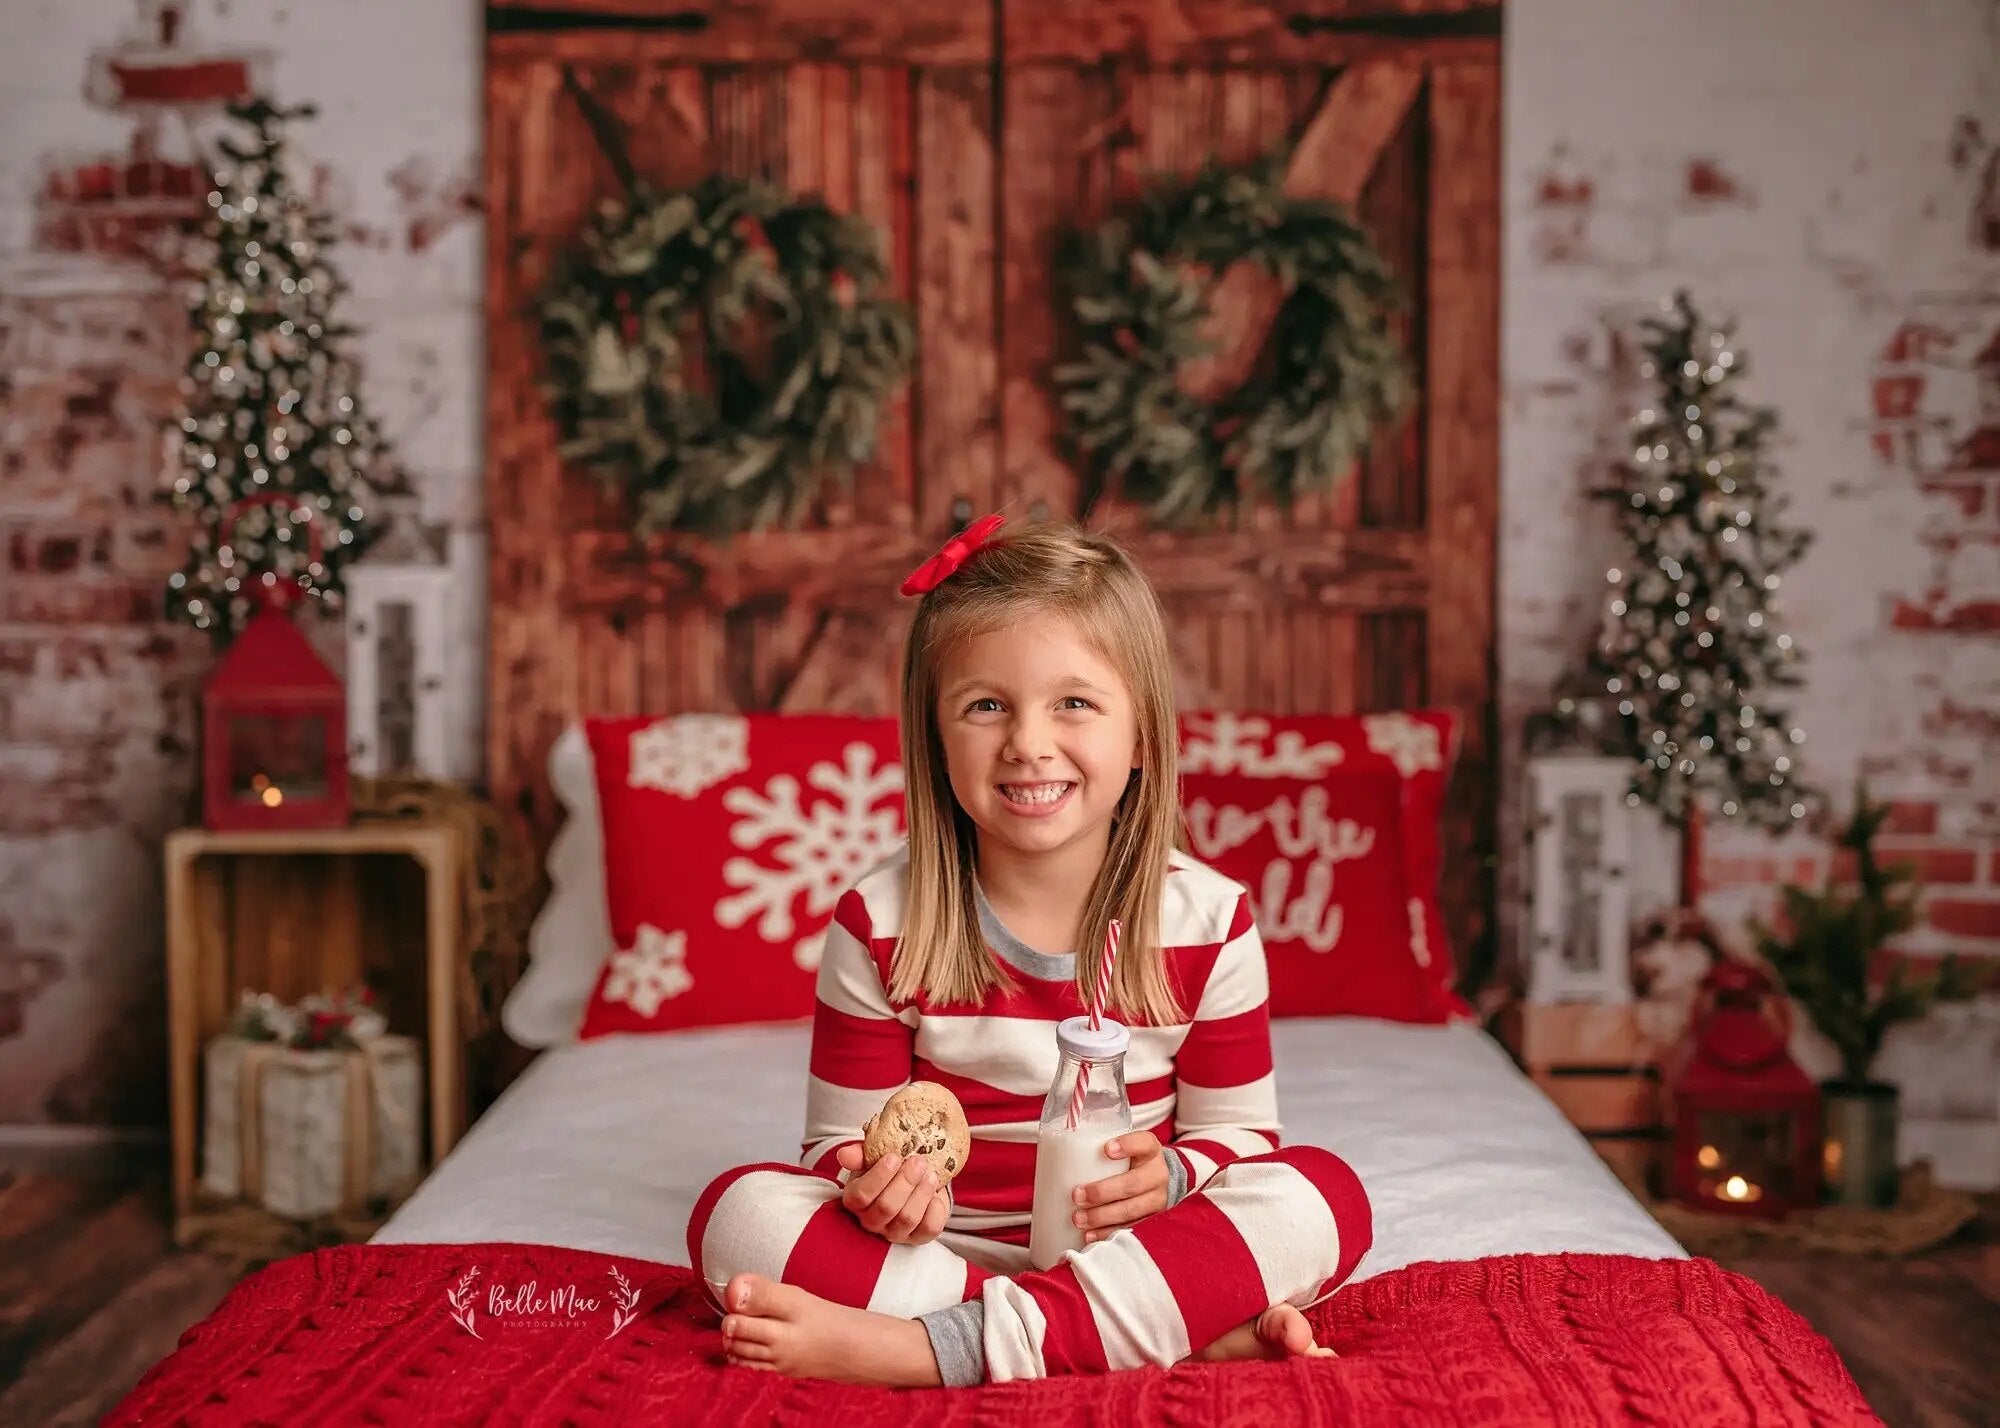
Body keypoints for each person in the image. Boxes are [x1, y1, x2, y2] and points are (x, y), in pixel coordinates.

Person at [687, 517, 1372, 1387]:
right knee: (737, 1216)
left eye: (1075, 703)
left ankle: (932, 1352)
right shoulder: (879, 921)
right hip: (945, 1255)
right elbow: (833, 1149)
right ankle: (1131, 1336)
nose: (1028, 743)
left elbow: (1237, 1140)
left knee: (1322, 1194)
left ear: (1143, 737)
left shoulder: (1208, 920)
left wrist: (1171, 1173)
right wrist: (879, 1189)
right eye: (985, 706)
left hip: (1131, 1253)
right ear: (935, 742)